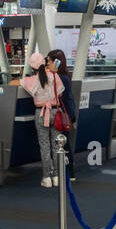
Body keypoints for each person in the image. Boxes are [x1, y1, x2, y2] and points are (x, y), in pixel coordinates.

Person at [20, 50, 64, 187]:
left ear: (32, 67)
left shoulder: (31, 80)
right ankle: (57, 177)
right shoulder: (54, 76)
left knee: (45, 147)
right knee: (57, 146)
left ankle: (47, 178)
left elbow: (14, 83)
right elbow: (61, 94)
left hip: (41, 113)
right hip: (56, 112)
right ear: (44, 63)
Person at [47, 49, 76, 181]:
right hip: (68, 112)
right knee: (65, 143)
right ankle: (69, 172)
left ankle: (68, 172)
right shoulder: (65, 75)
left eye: (49, 61)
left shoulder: (59, 78)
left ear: (56, 62)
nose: (47, 63)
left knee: (63, 144)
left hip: (62, 113)